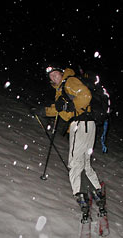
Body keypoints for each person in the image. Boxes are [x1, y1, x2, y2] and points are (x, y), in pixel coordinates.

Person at [37, 63, 105, 212]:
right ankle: (98, 192)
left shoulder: (69, 82)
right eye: (51, 77)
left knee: (74, 162)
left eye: (55, 74)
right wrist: (45, 111)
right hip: (87, 124)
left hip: (81, 124)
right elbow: (61, 109)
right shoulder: (62, 89)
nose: (54, 77)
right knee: (85, 162)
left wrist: (70, 106)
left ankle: (80, 196)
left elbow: (85, 96)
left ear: (61, 73)